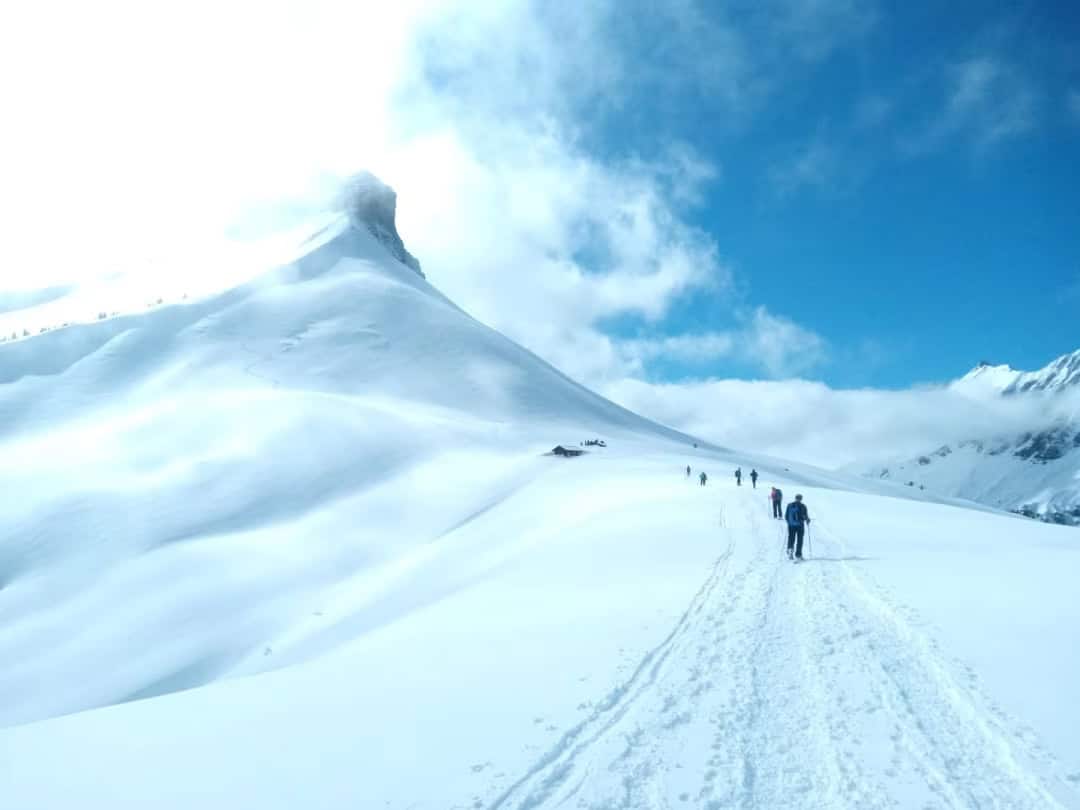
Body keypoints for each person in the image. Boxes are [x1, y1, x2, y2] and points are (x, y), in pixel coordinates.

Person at [785, 494, 810, 560]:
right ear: (801, 499)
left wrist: (789, 522)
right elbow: (805, 516)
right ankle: (798, 555)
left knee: (791, 538)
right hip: (800, 526)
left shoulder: (789, 505)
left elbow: (786, 516)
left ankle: (790, 550)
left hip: (791, 525)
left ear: (795, 498)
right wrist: (807, 520)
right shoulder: (803, 506)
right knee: (800, 540)